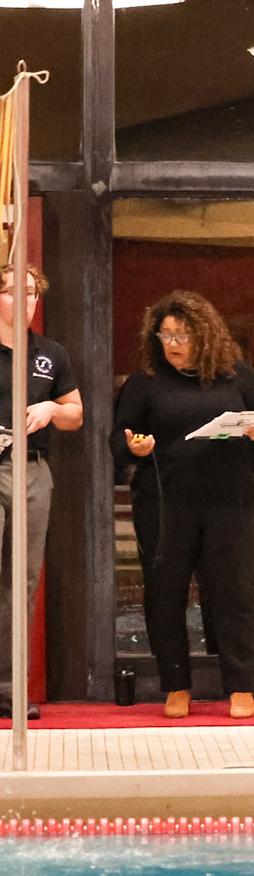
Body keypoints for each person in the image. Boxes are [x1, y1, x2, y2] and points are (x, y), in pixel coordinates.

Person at [112, 291, 254, 719]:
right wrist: (135, 448)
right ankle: (176, 685)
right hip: (166, 504)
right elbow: (118, 439)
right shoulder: (145, 382)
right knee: (165, 594)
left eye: (182, 335)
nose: (173, 344)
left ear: (204, 335)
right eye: (165, 335)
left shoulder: (238, 377)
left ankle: (240, 685)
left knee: (233, 593)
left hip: (228, 501)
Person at [0, 263, 82, 720]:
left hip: (33, 468)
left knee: (23, 582)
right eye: (15, 291)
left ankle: (11, 688)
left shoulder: (50, 354)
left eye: (32, 293)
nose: (26, 301)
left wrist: (52, 407)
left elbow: (76, 415)